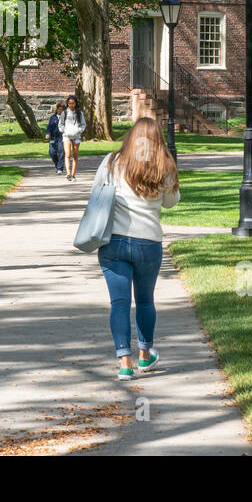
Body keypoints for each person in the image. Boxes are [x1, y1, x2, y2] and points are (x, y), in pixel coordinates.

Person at [96, 117, 180, 381]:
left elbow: (96, 193)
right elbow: (170, 203)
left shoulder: (113, 162)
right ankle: (145, 356)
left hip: (115, 242)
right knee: (145, 300)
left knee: (119, 303)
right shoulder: (163, 166)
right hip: (148, 242)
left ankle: (124, 363)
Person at [62, 95, 87, 181]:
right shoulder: (64, 112)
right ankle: (68, 173)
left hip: (76, 136)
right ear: (67, 103)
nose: (71, 105)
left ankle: (73, 174)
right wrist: (63, 130)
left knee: (75, 156)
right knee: (67, 154)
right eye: (69, 103)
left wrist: (79, 130)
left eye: (73, 103)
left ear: (76, 103)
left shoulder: (79, 113)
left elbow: (83, 124)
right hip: (67, 136)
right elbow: (60, 124)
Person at [44, 100, 66, 174]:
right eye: (59, 109)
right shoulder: (53, 118)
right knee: (52, 152)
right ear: (57, 109)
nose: (60, 111)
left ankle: (60, 168)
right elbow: (49, 127)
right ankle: (57, 165)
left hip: (62, 137)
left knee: (62, 151)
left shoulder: (65, 118)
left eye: (62, 110)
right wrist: (47, 133)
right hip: (53, 137)